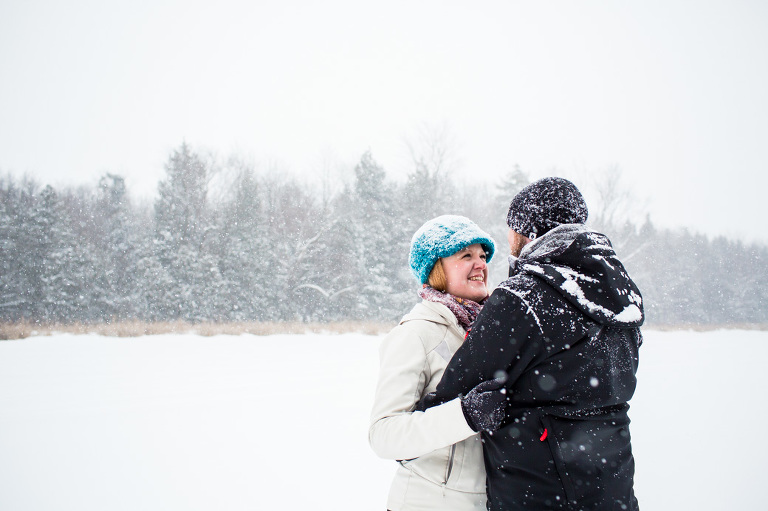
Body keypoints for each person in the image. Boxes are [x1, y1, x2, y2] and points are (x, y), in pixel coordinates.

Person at [419, 178, 644, 510]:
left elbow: (456, 392)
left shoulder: (523, 298)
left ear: (525, 232)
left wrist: (413, 426)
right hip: (614, 490)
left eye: (510, 230)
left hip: (540, 493)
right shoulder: (620, 297)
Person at [369, 215, 508, 511]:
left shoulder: (494, 331)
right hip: (426, 502)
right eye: (465, 255)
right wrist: (465, 415)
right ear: (436, 269)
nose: (480, 264)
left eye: (483, 256)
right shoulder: (416, 333)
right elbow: (384, 434)